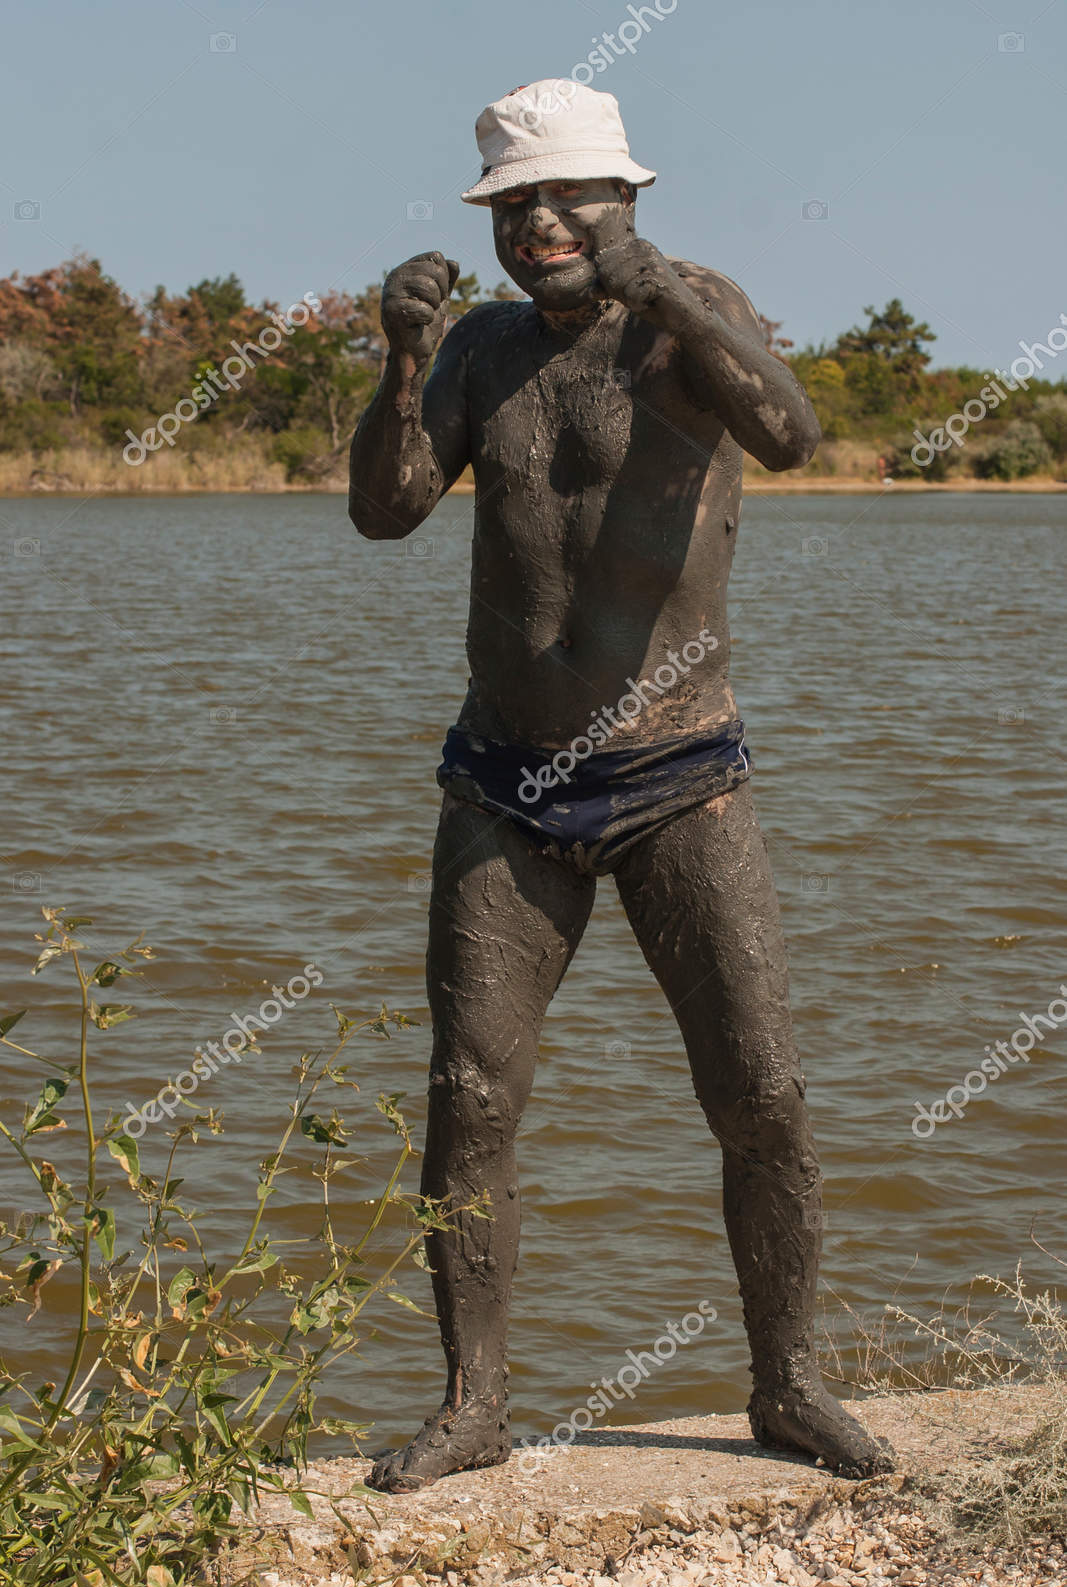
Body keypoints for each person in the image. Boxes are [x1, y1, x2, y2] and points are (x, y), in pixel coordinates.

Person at [349, 78, 894, 1491]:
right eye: (514, 204)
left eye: (568, 197)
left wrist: (679, 303)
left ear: (627, 195)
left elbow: (791, 437)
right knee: (469, 1093)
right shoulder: (479, 348)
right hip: (504, 784)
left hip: (679, 776)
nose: (541, 223)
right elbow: (388, 511)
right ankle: (475, 1408)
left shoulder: (689, 312)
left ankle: (787, 1388)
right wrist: (401, 362)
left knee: (762, 1091)